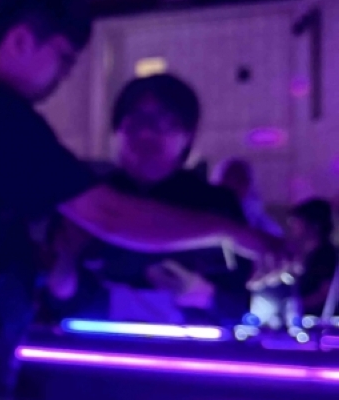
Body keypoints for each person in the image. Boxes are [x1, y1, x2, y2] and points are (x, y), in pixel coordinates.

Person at [0, 0, 287, 400]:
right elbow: (108, 214)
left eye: (164, 124)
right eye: (64, 59)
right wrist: (231, 232)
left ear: (188, 135)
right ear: (20, 40)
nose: (63, 77)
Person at [46, 75, 252, 325]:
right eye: (135, 122)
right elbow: (58, 302)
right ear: (116, 132)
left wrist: (204, 294)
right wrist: (63, 269)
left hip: (191, 347)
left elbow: (240, 306)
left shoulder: (217, 206)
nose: (145, 133)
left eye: (162, 123)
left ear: (188, 135)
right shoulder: (90, 200)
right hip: (99, 345)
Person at [285, 199, 337, 317]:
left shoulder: (326, 255)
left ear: (314, 225)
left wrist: (293, 305)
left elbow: (326, 292)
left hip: (320, 322)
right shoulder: (306, 254)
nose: (292, 225)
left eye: (297, 221)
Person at [212, 157, 283, 236]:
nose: (233, 185)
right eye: (229, 178)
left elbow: (276, 238)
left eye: (240, 180)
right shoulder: (208, 213)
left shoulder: (261, 221)